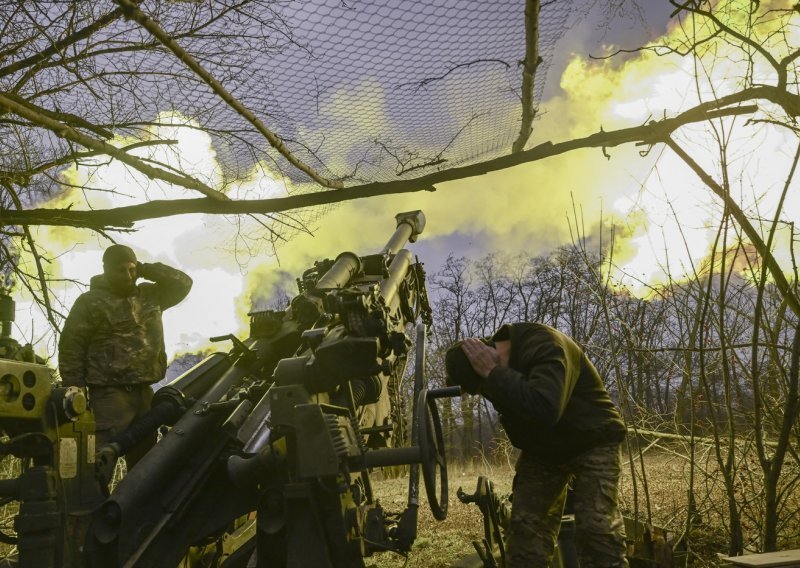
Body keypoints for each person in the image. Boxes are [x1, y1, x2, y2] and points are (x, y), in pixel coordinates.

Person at [445, 322, 629, 567]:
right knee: (525, 534)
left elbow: (545, 409)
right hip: (544, 450)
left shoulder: (544, 344)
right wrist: (495, 379)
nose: (487, 392)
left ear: (490, 358)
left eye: (483, 386)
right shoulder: (496, 373)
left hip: (592, 438)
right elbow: (522, 433)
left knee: (596, 531)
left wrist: (495, 374)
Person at [58, 244, 192, 474]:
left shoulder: (152, 295)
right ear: (106, 271)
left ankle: (133, 510)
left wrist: (146, 269)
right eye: (121, 270)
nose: (128, 276)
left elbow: (183, 283)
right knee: (96, 463)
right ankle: (92, 509)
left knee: (145, 467)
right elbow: (72, 347)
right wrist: (76, 391)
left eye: (132, 269)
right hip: (109, 396)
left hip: (144, 394)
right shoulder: (91, 302)